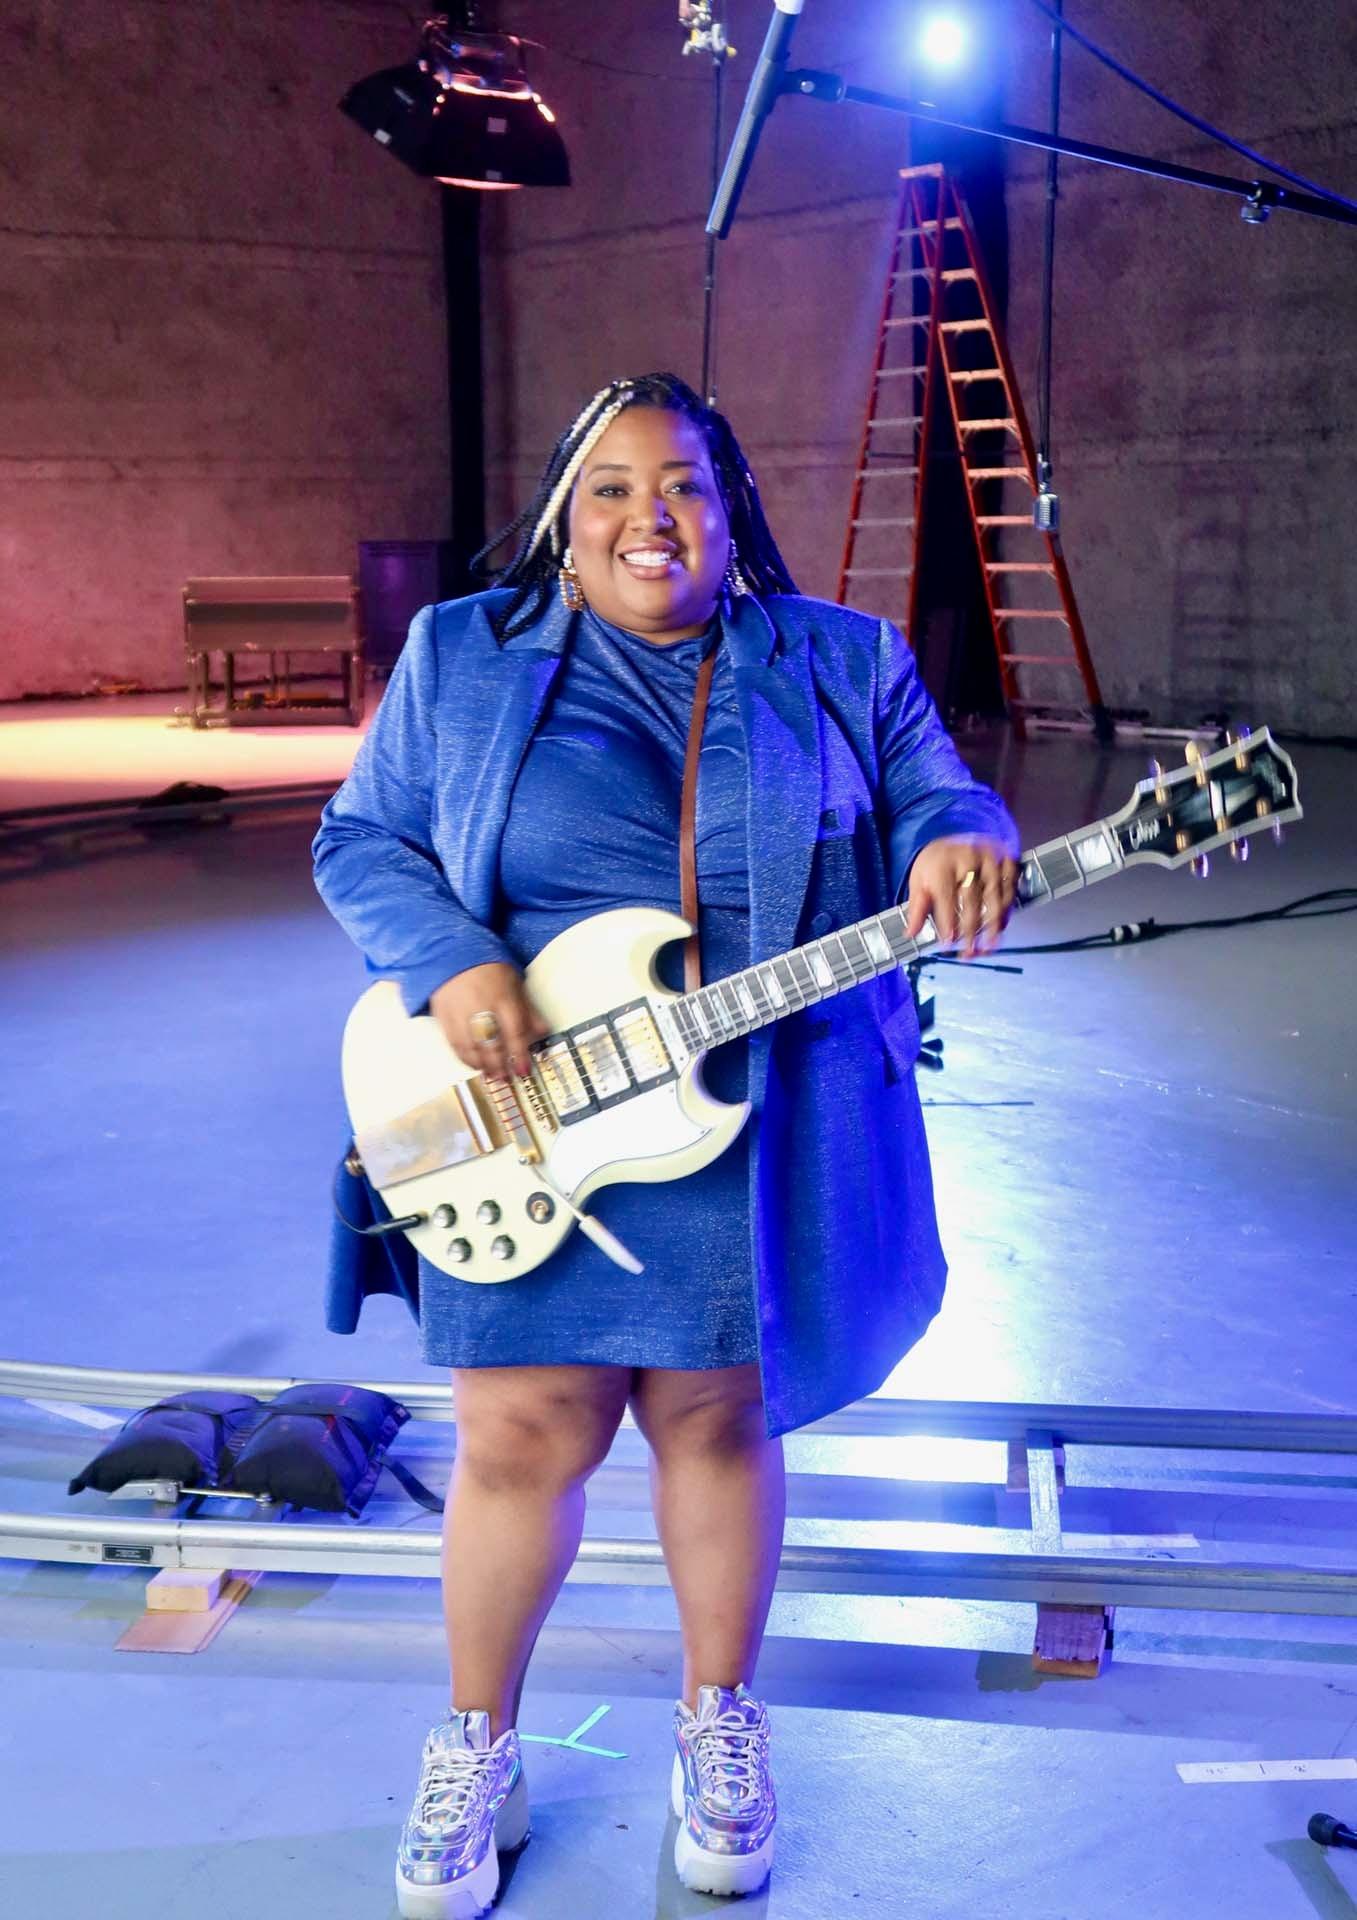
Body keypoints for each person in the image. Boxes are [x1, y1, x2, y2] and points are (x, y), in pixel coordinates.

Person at [313, 371, 1018, 1918]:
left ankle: (718, 1726)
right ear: (568, 516)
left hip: (753, 1119)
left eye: (686, 483)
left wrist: (968, 838)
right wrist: (449, 957)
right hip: (527, 1106)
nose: (654, 516)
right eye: (616, 485)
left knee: (715, 1424)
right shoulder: (460, 657)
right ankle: (477, 1745)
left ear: (732, 504)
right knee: (522, 1434)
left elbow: (936, 792)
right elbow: (359, 838)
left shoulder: (841, 659)